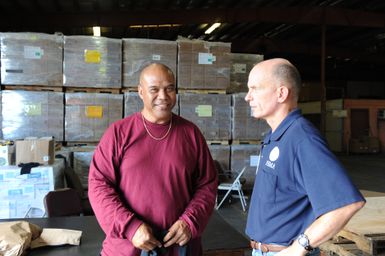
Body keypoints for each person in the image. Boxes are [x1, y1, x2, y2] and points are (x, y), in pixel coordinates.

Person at [88, 63, 218, 256]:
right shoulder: (118, 133)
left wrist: (190, 222)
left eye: (170, 89)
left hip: (179, 247)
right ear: (141, 92)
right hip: (127, 248)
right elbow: (98, 186)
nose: (163, 96)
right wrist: (130, 226)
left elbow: (207, 185)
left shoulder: (191, 134)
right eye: (154, 90)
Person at [244, 58, 365, 256]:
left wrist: (299, 247)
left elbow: (347, 204)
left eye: (255, 88)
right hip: (263, 250)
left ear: (281, 93)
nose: (248, 97)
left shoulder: (301, 139)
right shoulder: (275, 136)